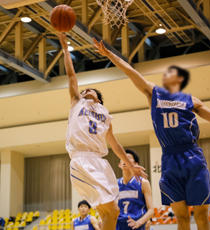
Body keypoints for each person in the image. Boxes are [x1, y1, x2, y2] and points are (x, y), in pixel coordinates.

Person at [93, 39, 210, 230]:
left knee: (201, 214)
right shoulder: (153, 92)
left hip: (192, 157)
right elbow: (131, 72)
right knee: (180, 217)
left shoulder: (191, 100)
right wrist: (109, 55)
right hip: (169, 158)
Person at [58, 33, 147, 230]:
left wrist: (131, 167)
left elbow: (114, 144)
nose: (85, 92)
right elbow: (71, 75)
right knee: (109, 209)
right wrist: (65, 48)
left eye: (90, 91)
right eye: (83, 91)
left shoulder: (105, 115)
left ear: (98, 98)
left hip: (101, 162)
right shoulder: (76, 103)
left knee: (113, 212)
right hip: (82, 160)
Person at [117, 149, 154, 230]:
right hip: (119, 225)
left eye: (129, 158)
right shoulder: (115, 184)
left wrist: (139, 222)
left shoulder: (143, 182)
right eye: (123, 158)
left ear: (136, 164)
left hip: (137, 224)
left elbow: (151, 210)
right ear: (119, 164)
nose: (125, 160)